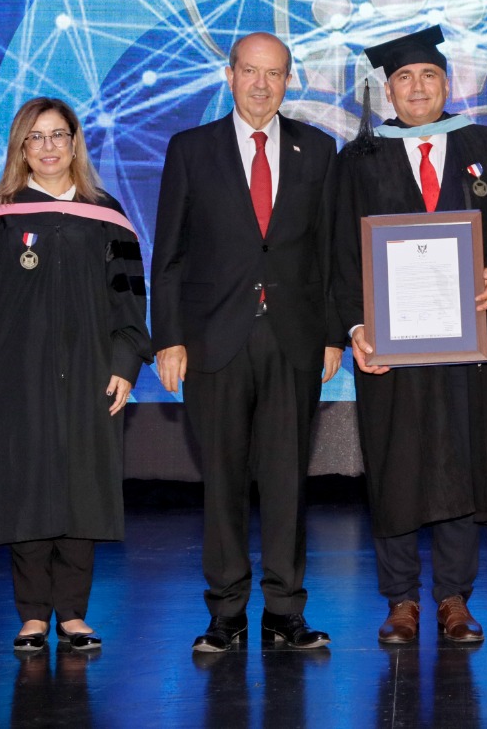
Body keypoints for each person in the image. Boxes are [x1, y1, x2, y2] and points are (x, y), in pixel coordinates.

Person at [333, 26, 487, 645]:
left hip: (464, 343)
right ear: (387, 89)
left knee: (460, 461)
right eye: (403, 77)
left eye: (428, 75)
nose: (417, 87)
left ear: (447, 84)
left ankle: (453, 597)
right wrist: (356, 326)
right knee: (393, 464)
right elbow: (339, 254)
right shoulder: (359, 159)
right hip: (389, 348)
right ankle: (401, 599)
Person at [152, 32, 342, 653]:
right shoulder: (190, 149)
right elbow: (169, 255)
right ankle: (226, 612)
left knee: (287, 482)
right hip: (214, 340)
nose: (262, 84)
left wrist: (333, 334)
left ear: (289, 80)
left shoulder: (318, 148)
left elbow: (329, 251)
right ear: (229, 75)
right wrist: (168, 338)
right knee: (223, 481)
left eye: (275, 73)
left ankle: (285, 610)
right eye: (251, 71)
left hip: (295, 339)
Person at [0, 97, 152, 653]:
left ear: (74, 143)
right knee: (27, 487)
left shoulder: (107, 215)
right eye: (36, 137)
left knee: (81, 487)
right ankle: (31, 614)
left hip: (92, 370)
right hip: (16, 373)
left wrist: (124, 364)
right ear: (21, 147)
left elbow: (129, 300)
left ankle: (72, 612)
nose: (48, 146)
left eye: (58, 135)